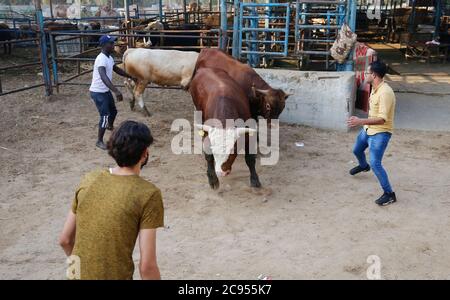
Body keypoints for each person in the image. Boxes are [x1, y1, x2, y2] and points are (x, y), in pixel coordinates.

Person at [59, 121, 164, 279]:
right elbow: (147, 267)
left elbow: (65, 240)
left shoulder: (89, 179)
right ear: (144, 153)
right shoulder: (148, 194)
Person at [347, 60, 397, 206]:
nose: (365, 75)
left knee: (375, 163)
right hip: (368, 129)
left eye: (367, 73)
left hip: (380, 133)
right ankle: (363, 166)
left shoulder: (386, 92)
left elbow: (382, 119)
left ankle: (389, 194)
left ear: (374, 75)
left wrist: (359, 121)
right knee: (356, 150)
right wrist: (363, 124)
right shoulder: (375, 88)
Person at [89, 34, 133, 150]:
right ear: (104, 45)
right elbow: (103, 77)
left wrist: (130, 76)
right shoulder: (101, 59)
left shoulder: (109, 57)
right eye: (111, 43)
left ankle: (109, 126)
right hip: (98, 92)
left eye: (113, 42)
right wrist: (116, 91)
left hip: (105, 90)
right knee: (104, 115)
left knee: (113, 111)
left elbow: (116, 69)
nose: (114, 45)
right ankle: (99, 141)